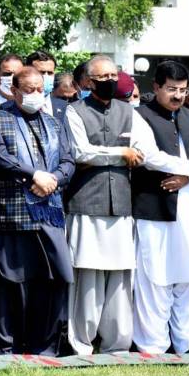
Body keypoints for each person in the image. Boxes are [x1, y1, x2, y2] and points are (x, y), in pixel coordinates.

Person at [0, 66, 75, 355]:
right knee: (10, 283)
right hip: (12, 214)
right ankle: (5, 346)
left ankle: (45, 346)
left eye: (40, 89)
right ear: (14, 90)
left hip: (49, 212)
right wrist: (34, 175)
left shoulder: (54, 123)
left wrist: (54, 179)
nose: (36, 94)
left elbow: (68, 161)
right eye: (29, 89)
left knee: (55, 278)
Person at [64, 55, 147, 355]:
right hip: (86, 204)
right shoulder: (75, 111)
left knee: (121, 277)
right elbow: (81, 152)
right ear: (88, 82)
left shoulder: (129, 111)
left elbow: (140, 151)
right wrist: (120, 153)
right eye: (103, 77)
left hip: (121, 205)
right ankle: (81, 345)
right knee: (86, 276)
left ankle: (117, 345)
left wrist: (117, 154)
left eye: (114, 75)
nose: (110, 81)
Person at [131, 61, 189, 354]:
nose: (178, 96)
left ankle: (188, 344)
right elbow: (148, 156)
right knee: (155, 278)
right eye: (171, 90)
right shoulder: (139, 115)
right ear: (156, 87)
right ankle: (152, 345)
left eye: (182, 90)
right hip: (155, 209)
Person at [26, 51, 67, 121]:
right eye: (41, 72)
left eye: (50, 73)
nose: (46, 76)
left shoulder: (65, 107)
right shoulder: (14, 107)